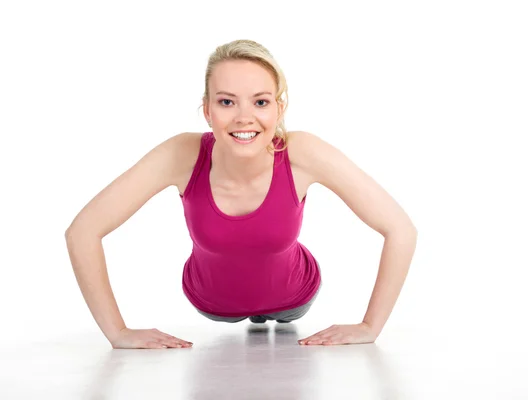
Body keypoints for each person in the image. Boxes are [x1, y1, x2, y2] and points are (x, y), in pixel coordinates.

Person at [65, 39, 418, 350]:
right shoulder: (180, 155)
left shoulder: (303, 152)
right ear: (207, 110)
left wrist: (371, 327)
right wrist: (118, 333)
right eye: (227, 102)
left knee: (281, 315)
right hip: (211, 306)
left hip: (294, 298)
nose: (244, 117)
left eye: (260, 102)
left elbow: (400, 229)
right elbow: (82, 232)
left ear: (279, 108)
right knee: (234, 317)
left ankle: (270, 315)